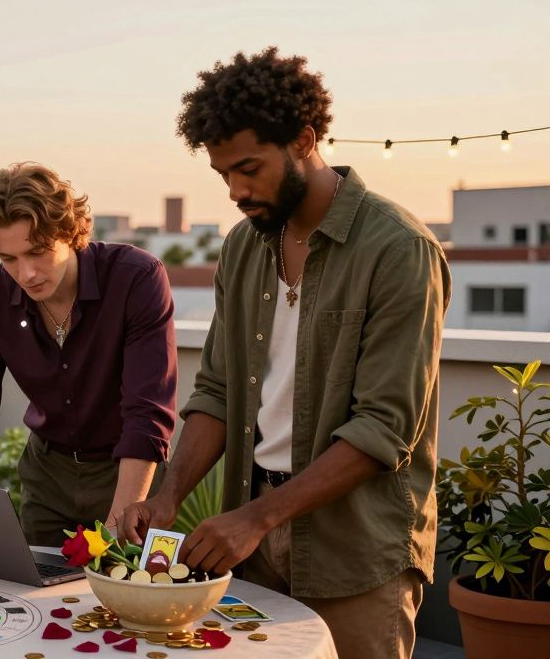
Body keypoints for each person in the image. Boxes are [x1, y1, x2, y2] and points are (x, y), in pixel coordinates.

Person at [120, 48, 450, 659]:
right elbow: (217, 389)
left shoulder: (399, 250)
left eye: (249, 169)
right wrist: (168, 494)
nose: (236, 191)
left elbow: (383, 429)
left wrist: (257, 518)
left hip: (355, 549)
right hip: (249, 540)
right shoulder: (244, 247)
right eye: (223, 175)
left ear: (304, 139)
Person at [0, 162, 177, 548]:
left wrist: (116, 531)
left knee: (126, 597)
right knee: (39, 601)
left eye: (38, 252)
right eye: (8, 259)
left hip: (128, 471)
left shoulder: (136, 277)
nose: (26, 273)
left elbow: (148, 414)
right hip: (47, 475)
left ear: (70, 233)